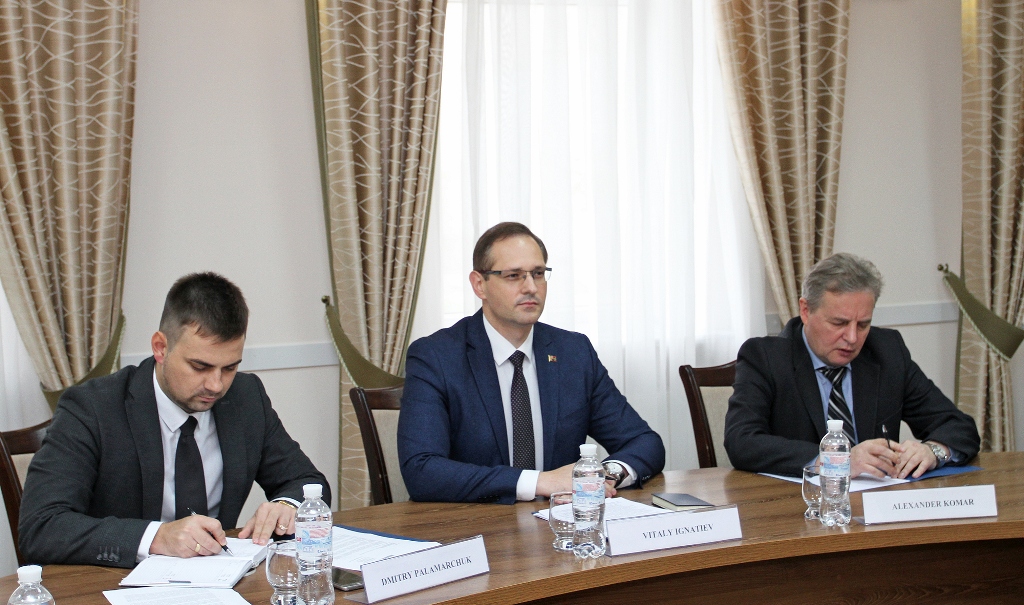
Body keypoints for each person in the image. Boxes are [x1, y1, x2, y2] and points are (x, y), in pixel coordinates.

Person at [19, 273, 329, 567]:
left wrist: (287, 506)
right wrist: (156, 537)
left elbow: (308, 482)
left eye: (229, 368)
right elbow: (42, 527)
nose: (216, 385)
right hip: (116, 585)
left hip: (220, 583)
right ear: (161, 348)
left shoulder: (245, 398)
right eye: (200, 367)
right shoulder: (93, 408)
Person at [398, 222, 665, 504]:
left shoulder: (574, 353)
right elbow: (422, 470)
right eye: (513, 275)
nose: (531, 287)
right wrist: (540, 482)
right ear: (479, 285)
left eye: (538, 274)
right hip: (477, 523)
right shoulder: (436, 357)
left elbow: (644, 442)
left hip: (562, 520)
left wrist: (602, 476)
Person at [724, 253, 981, 479]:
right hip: (798, 505)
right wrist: (837, 459)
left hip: (877, 504)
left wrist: (933, 451)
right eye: (839, 323)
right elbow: (742, 441)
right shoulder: (766, 358)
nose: (852, 338)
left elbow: (958, 426)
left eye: (863, 325)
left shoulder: (887, 352)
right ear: (805, 310)